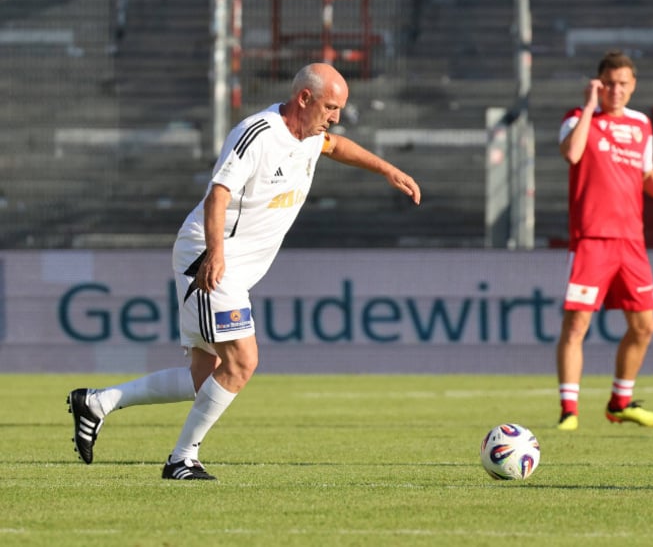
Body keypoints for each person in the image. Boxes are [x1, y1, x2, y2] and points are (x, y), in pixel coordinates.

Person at [68, 62, 421, 480]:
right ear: (304, 98)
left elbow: (336, 146)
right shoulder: (257, 133)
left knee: (204, 379)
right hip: (210, 258)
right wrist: (216, 254)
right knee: (242, 362)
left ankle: (98, 402)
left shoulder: (310, 136)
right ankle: (182, 459)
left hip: (231, 265)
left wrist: (388, 170)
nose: (335, 117)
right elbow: (218, 194)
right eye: (330, 107)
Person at [555, 51, 653, 432]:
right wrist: (589, 106)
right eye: (609, 83)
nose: (615, 90)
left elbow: (646, 175)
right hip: (591, 239)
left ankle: (620, 403)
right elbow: (572, 153)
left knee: (645, 325)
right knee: (577, 324)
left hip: (631, 241)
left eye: (622, 84)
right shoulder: (577, 118)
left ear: (633, 86)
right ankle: (569, 411)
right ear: (598, 84)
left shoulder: (641, 124)